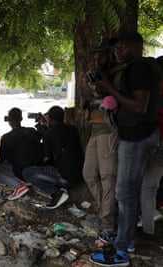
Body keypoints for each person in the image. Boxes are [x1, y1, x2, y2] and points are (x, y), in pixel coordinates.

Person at [90, 31, 161, 267]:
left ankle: (120, 252)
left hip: (136, 139)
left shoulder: (138, 69)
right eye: (116, 48)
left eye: (122, 46)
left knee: (125, 194)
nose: (118, 51)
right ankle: (126, 239)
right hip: (141, 135)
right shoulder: (135, 68)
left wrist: (108, 87)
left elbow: (139, 107)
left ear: (137, 46)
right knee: (132, 192)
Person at [82, 38, 119, 233]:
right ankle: (105, 209)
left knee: (107, 178)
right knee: (88, 174)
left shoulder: (116, 76)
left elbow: (113, 104)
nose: (97, 58)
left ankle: (107, 221)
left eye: (101, 54)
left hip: (108, 132)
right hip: (95, 133)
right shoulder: (99, 76)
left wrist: (102, 86)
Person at [22, 106, 84, 209]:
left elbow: (47, 158)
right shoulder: (73, 129)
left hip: (65, 178)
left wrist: (44, 132)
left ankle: (56, 193)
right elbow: (60, 134)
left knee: (27, 172)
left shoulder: (49, 134)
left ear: (50, 119)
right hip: (80, 175)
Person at [0, 107, 43, 200]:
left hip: (21, 171)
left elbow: (1, 159)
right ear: (21, 119)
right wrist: (42, 122)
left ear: (9, 121)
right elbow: (42, 133)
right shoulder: (32, 131)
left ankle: (19, 186)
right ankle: (27, 182)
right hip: (37, 167)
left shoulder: (6, 138)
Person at [138, 55, 163, 240]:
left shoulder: (154, 91)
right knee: (150, 188)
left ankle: (146, 229)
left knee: (144, 188)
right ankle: (148, 228)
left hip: (152, 142)